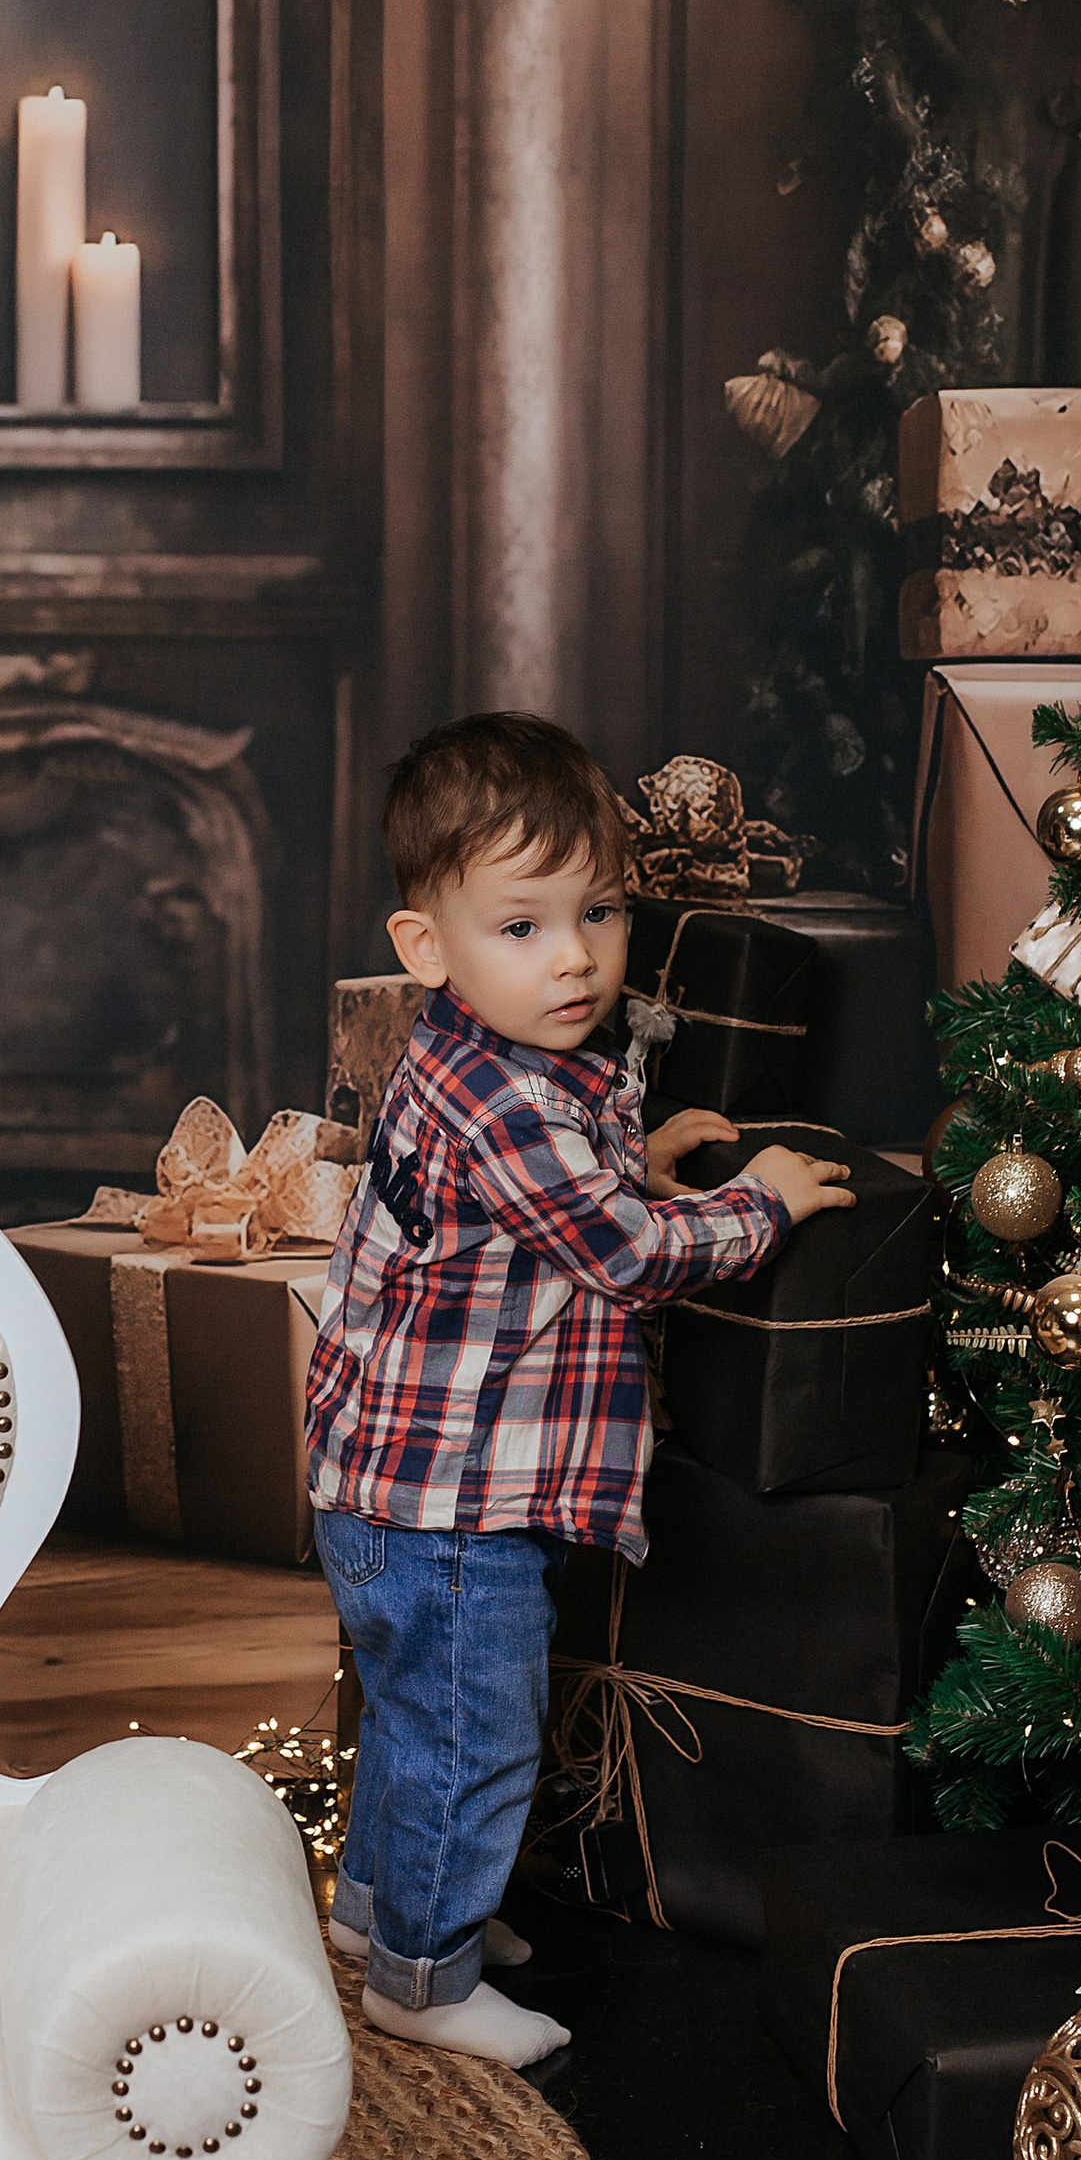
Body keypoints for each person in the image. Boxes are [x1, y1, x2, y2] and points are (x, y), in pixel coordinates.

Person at [304, 711, 854, 2069]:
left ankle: (382, 1917)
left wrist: (638, 1154)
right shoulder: (511, 1106)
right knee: (474, 1737)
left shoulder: (479, 1054)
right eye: (523, 926)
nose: (576, 958)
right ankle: (422, 1981)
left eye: (599, 913)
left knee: (416, 1722)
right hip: (449, 1508)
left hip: (395, 1485)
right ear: (426, 945)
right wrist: (760, 1202)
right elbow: (623, 1256)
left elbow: (546, 1197)